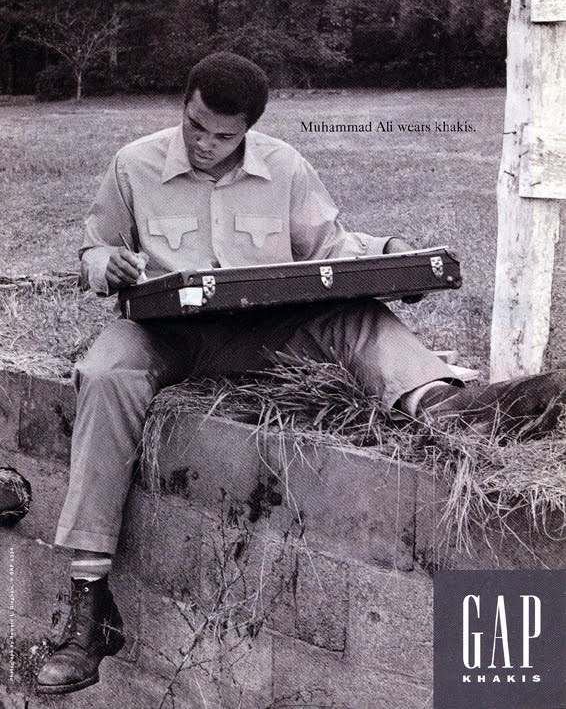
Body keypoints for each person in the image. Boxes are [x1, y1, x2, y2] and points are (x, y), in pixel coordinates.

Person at [36, 52, 565, 695]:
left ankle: (444, 405)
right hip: (164, 334)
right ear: (184, 104)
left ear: (250, 128)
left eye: (223, 135)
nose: (204, 144)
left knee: (355, 315)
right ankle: (89, 605)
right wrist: (106, 265)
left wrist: (392, 255)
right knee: (104, 372)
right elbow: (94, 249)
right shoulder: (133, 164)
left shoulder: (285, 166)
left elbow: (329, 250)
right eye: (195, 125)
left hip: (265, 333)